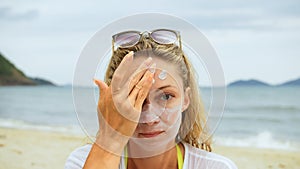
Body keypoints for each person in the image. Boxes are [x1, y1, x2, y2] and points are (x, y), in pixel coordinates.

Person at [65, 29, 238, 169]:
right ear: (113, 104)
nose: (150, 118)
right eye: (134, 95)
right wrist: (110, 140)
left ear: (186, 99)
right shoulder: (82, 162)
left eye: (166, 96)